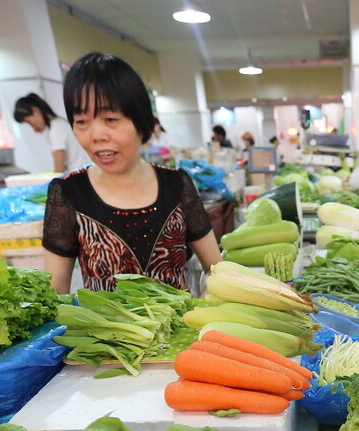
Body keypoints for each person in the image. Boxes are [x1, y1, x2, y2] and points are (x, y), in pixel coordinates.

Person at [42, 53, 219, 295]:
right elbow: (55, 292)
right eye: (82, 121)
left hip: (182, 331)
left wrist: (210, 306)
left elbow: (216, 269)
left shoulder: (176, 185)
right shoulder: (68, 192)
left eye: (110, 119)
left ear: (140, 121)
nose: (96, 135)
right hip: (103, 332)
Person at [13, 93, 88, 173]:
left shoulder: (56, 130)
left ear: (35, 110)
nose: (33, 129)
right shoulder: (61, 123)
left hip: (79, 176)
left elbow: (59, 170)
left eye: (29, 122)